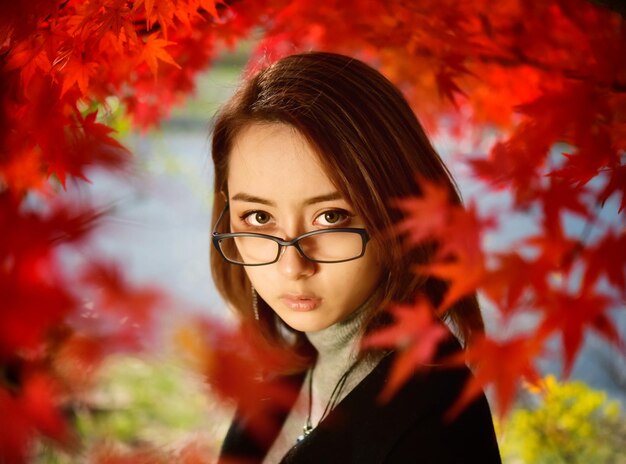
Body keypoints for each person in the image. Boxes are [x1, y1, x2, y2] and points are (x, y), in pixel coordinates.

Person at [210, 51, 501, 463]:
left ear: (400, 214)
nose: (292, 266)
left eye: (331, 217)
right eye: (259, 217)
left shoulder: (430, 418)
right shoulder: (288, 372)